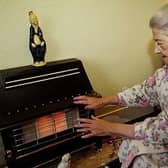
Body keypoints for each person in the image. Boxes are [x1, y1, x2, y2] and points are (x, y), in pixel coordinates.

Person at [73, 4, 168, 168]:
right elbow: (143, 92)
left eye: (160, 42)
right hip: (160, 130)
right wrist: (104, 101)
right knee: (129, 145)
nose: (156, 50)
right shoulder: (164, 74)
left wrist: (111, 128)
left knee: (141, 160)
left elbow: (164, 131)